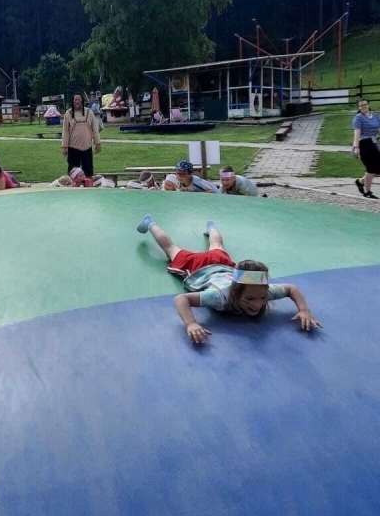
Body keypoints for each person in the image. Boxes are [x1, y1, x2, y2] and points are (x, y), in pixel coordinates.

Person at [136, 214, 322, 344]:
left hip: (222, 265)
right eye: (250, 299)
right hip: (197, 267)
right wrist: (191, 323)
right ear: (235, 292)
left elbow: (291, 288)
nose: (257, 304)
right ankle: (151, 223)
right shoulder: (221, 296)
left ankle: (210, 227)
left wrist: (304, 310)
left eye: (262, 298)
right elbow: (181, 299)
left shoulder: (260, 288)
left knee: (216, 244)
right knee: (170, 248)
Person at [61, 93, 102, 178]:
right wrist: (64, 146)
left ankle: (88, 185)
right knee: (73, 173)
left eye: (79, 99)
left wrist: (98, 143)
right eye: (75, 99)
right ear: (73, 101)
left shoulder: (89, 112)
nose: (77, 101)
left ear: (82, 101)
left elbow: (95, 129)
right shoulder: (68, 114)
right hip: (73, 147)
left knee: (88, 172)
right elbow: (65, 131)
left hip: (87, 147)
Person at [352, 98, 380, 199]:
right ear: (359, 107)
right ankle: (368, 192)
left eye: (365, 104)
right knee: (371, 168)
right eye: (361, 105)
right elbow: (357, 133)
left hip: (374, 143)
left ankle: (360, 182)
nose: (363, 107)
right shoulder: (358, 118)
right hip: (364, 143)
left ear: (369, 105)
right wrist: (356, 147)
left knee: (377, 168)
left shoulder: (375, 115)